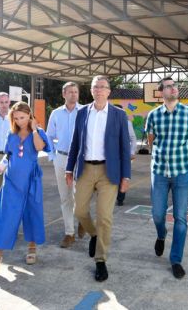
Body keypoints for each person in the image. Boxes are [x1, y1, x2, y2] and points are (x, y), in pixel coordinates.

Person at [65, 75, 131, 282]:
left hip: (108, 171)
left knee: (104, 217)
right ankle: (94, 234)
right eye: (96, 87)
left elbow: (124, 147)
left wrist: (126, 176)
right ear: (91, 91)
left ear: (109, 91)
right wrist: (69, 169)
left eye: (103, 87)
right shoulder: (82, 113)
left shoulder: (119, 115)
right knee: (79, 211)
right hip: (85, 168)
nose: (99, 90)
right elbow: (76, 142)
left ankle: (100, 260)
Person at [145, 77, 188, 279]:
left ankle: (176, 259)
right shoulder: (153, 115)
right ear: (161, 92)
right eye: (168, 86)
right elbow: (151, 142)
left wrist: (187, 161)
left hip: (182, 173)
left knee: (180, 218)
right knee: (157, 214)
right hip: (159, 172)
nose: (173, 88)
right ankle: (161, 235)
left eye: (175, 85)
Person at [0, 102, 51, 272]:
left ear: (29, 115)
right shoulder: (11, 134)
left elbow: (39, 147)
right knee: (5, 215)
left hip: (31, 180)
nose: (19, 121)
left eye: (22, 117)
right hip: (11, 181)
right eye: (16, 118)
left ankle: (32, 248)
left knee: (32, 213)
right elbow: (9, 154)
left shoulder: (38, 132)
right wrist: (2, 165)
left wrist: (34, 129)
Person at [46, 82, 84, 248]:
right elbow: (49, 136)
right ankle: (69, 233)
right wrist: (52, 156)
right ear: (64, 94)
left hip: (80, 159)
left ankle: (82, 219)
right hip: (61, 158)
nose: (73, 94)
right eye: (70, 92)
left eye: (76, 92)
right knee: (65, 197)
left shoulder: (85, 111)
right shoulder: (55, 113)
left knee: (80, 195)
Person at [114, 103, 137, 206]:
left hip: (123, 154)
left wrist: (132, 152)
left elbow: (133, 138)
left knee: (122, 176)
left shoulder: (127, 123)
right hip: (110, 155)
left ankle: (120, 198)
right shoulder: (106, 122)